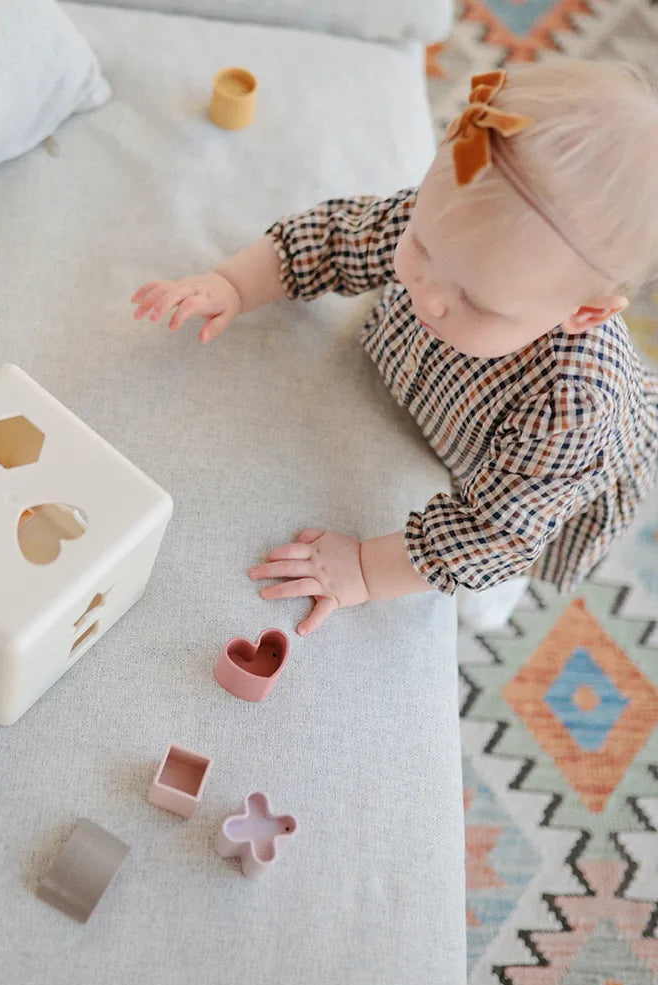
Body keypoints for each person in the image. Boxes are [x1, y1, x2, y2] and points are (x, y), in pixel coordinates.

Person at [131, 61, 658, 635]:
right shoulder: (451, 223)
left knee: (487, 582)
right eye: (422, 247)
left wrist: (363, 567)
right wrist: (233, 284)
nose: (429, 294)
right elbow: (336, 238)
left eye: (476, 302)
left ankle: (497, 599)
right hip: (447, 394)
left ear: (582, 312)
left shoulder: (574, 409)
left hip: (533, 483)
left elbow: (494, 533)